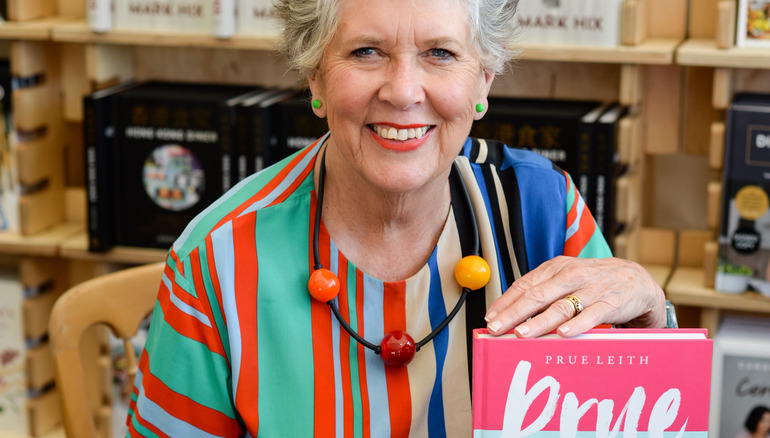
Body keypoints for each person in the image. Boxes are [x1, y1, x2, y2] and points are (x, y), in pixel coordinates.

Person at [125, 0, 668, 435]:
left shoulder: (542, 207)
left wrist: (651, 319)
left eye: (440, 53)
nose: (404, 92)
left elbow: (641, 408)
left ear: (484, 80)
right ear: (314, 77)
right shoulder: (218, 256)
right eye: (366, 52)